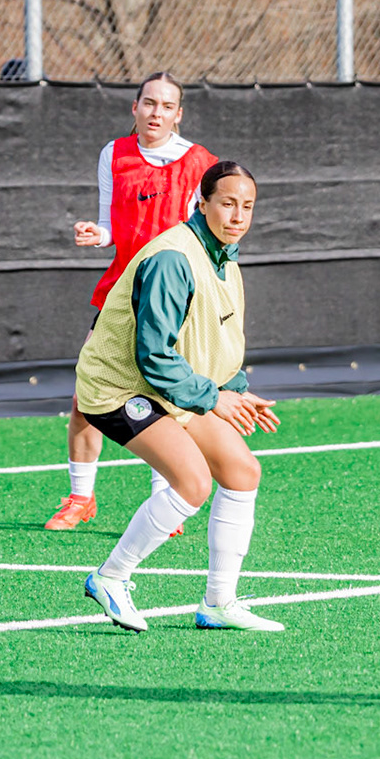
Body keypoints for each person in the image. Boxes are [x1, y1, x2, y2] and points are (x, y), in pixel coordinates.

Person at [75, 160, 283, 632]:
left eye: (247, 206)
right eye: (227, 203)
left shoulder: (226, 258)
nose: (238, 216)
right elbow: (152, 355)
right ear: (202, 203)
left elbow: (216, 341)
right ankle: (111, 576)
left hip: (170, 389)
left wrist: (236, 390)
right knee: (192, 482)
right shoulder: (174, 258)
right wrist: (212, 399)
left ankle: (218, 604)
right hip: (117, 387)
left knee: (242, 471)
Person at [45, 71, 219, 530]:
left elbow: (204, 238)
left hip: (170, 296)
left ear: (178, 115)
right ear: (134, 108)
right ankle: (80, 498)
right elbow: (111, 227)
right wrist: (94, 234)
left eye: (166, 106)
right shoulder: (114, 154)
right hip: (120, 293)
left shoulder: (200, 163)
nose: (156, 113)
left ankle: (168, 500)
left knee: (166, 397)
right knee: (87, 395)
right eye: (149, 104)